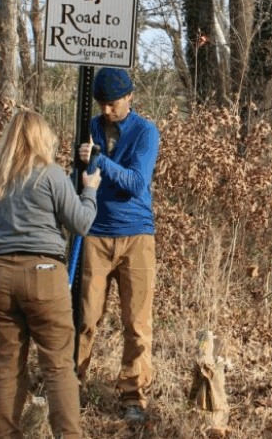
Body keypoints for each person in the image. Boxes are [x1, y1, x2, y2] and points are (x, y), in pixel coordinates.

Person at [0, 110, 101, 439]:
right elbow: (81, 223)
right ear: (41, 138)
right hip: (43, 274)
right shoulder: (49, 174)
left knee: (6, 365)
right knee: (58, 365)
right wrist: (90, 190)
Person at [76, 67, 160, 425]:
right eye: (102, 105)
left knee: (137, 322)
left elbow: (136, 183)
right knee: (84, 317)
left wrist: (98, 161)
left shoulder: (145, 132)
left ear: (129, 97)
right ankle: (70, 386)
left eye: (112, 104)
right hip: (94, 233)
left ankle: (133, 397)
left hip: (137, 235)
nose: (106, 111)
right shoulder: (89, 127)